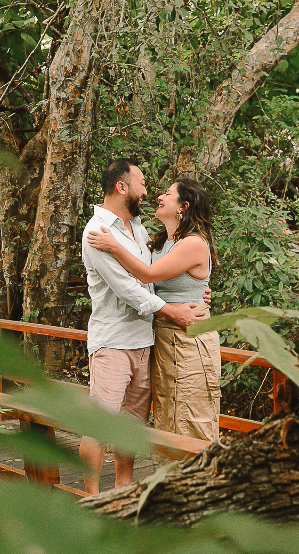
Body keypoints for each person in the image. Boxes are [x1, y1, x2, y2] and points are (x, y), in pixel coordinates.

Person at [79, 159, 208, 495]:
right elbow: (131, 288)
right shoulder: (98, 231)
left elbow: (156, 273)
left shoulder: (138, 227)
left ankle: (125, 486)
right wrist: (172, 311)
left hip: (144, 340)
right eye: (143, 183)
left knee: (132, 424)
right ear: (122, 187)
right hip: (113, 340)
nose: (148, 191)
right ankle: (91, 497)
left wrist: (198, 291)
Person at [87, 176, 220, 445]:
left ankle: (199, 483)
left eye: (167, 193)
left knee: (191, 416)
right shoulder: (158, 242)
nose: (158, 196)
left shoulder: (194, 242)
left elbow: (147, 275)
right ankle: (170, 484)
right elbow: (144, 284)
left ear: (183, 205)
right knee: (167, 415)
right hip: (161, 337)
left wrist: (113, 246)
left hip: (189, 337)